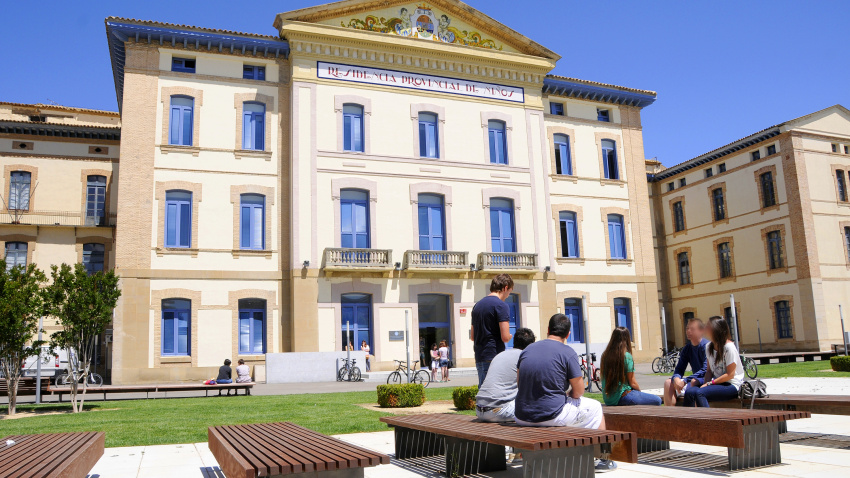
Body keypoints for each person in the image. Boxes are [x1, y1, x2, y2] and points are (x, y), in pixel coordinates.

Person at [515, 314, 616, 473]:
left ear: (548, 330)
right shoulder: (567, 352)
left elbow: (520, 383)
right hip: (551, 415)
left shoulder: (527, 350)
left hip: (521, 416)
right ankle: (604, 459)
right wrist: (567, 394)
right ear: (568, 334)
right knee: (595, 407)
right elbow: (579, 391)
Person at [475, 327, 536, 423]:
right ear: (531, 345)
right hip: (499, 411)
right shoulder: (524, 357)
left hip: (479, 410)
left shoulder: (499, 355)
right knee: (541, 408)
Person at [683, 316, 745, 408]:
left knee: (700, 393)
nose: (705, 327)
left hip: (731, 385)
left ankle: (707, 421)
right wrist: (705, 384)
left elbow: (730, 375)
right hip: (716, 383)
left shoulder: (729, 348)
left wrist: (710, 384)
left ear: (715, 329)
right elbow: (709, 371)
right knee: (689, 392)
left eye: (708, 326)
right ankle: (688, 421)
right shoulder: (708, 346)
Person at [470, 274, 514, 386]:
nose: (508, 295)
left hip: (480, 355)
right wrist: (510, 336)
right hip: (494, 355)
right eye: (509, 291)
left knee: (483, 392)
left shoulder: (477, 306)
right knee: (495, 394)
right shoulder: (501, 305)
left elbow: (472, 336)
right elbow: (505, 337)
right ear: (505, 287)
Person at [601, 327, 662, 406]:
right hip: (623, 397)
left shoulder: (605, 356)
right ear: (627, 339)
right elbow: (633, 382)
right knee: (658, 400)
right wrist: (639, 392)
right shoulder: (626, 356)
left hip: (608, 400)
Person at [663, 317, 709, 406]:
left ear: (701, 331)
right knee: (668, 383)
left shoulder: (706, 346)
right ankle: (671, 415)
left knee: (693, 382)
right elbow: (680, 368)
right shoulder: (687, 348)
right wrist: (676, 378)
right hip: (694, 379)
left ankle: (692, 415)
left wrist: (685, 381)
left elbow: (705, 370)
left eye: (692, 329)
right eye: (687, 328)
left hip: (706, 379)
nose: (688, 331)